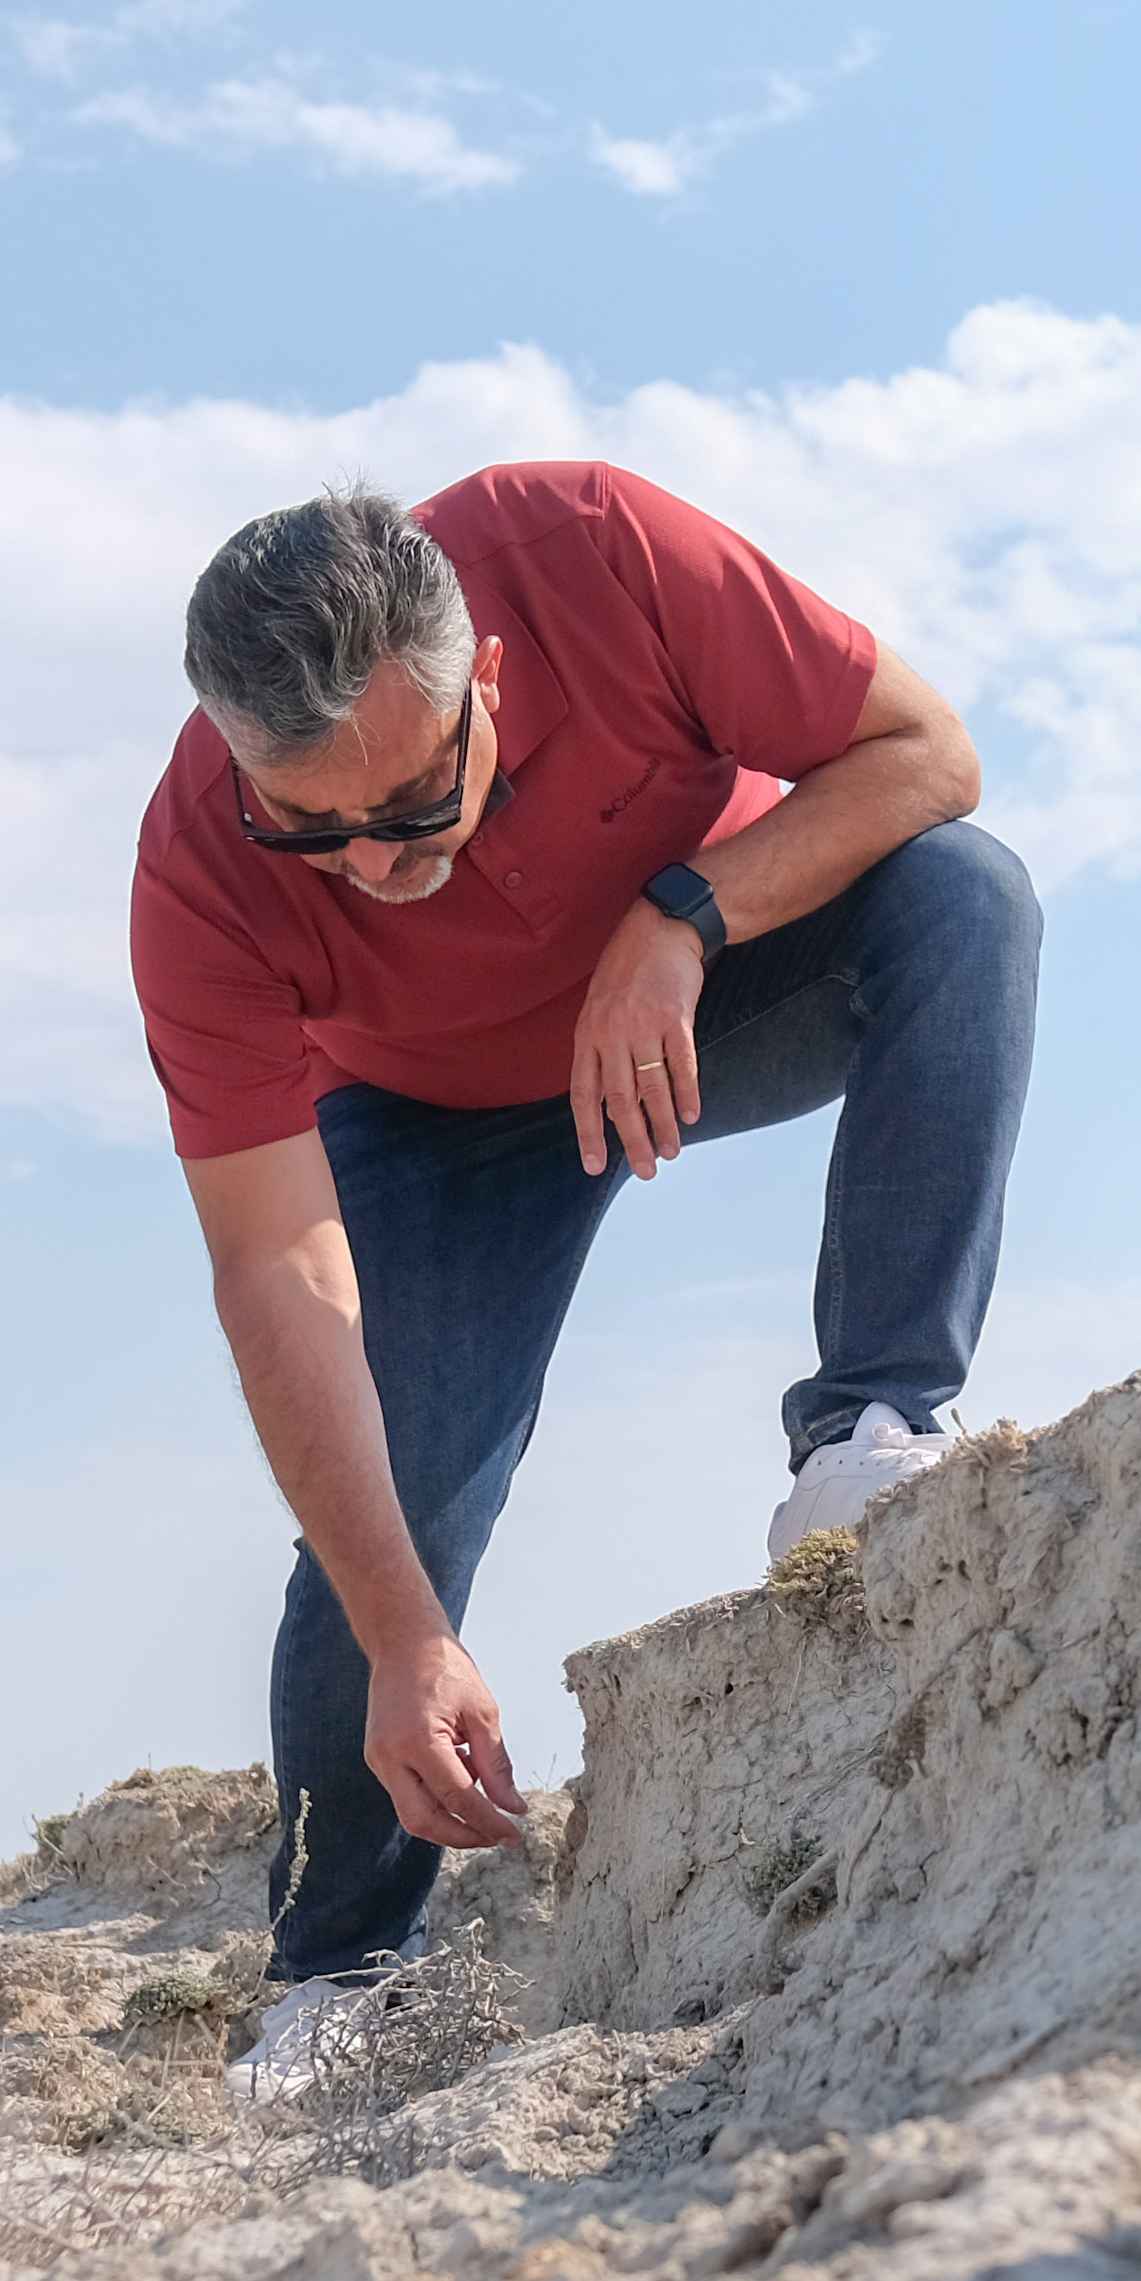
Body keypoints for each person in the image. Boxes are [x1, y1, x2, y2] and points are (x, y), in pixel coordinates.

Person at [127, 464, 1041, 2104]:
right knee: (393, 1510)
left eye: (414, 808)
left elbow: (930, 755)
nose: (375, 868)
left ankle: (869, 1428)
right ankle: (338, 1969)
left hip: (702, 982)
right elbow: (273, 1260)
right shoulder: (198, 862)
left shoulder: (599, 552)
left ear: (489, 678)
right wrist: (408, 1634)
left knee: (967, 894)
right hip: (431, 1118)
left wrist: (684, 918)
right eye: (311, 833)